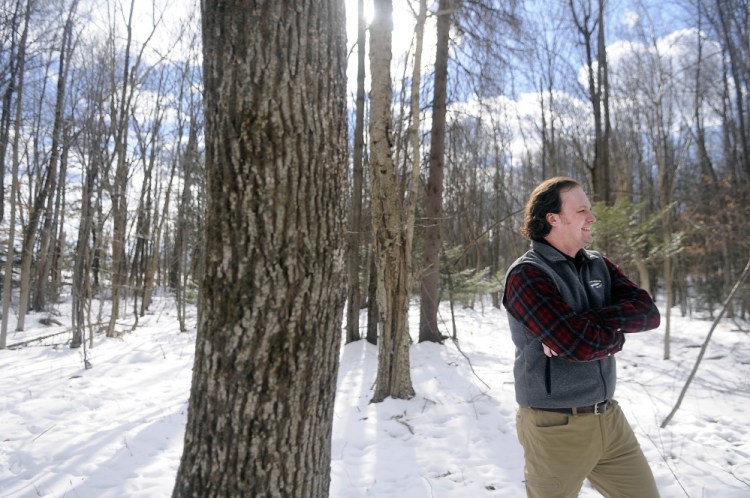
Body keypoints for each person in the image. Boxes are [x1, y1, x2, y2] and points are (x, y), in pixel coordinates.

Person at [503, 176, 661, 498]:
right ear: (554, 218)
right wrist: (611, 334)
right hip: (556, 427)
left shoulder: (599, 264)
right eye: (582, 210)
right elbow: (575, 344)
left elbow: (648, 313)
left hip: (610, 420)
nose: (592, 217)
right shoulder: (527, 274)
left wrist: (586, 324)